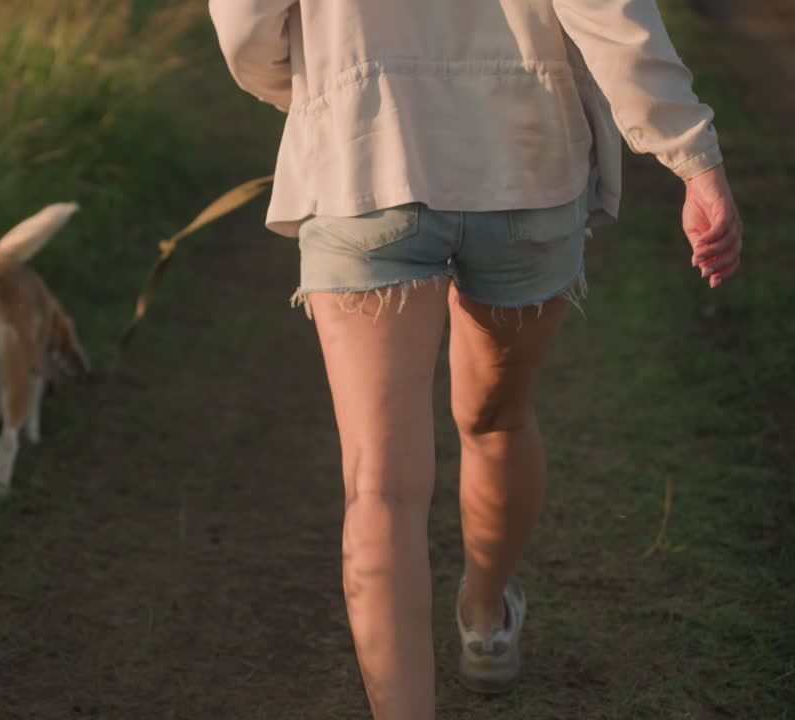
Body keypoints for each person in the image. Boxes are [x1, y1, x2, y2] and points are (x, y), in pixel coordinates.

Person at [207, 0, 743, 717]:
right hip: (524, 152)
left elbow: (246, 27)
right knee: (496, 420)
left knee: (381, 487)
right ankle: (486, 619)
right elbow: (610, 11)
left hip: (364, 144)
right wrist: (692, 155)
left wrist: (321, 88)